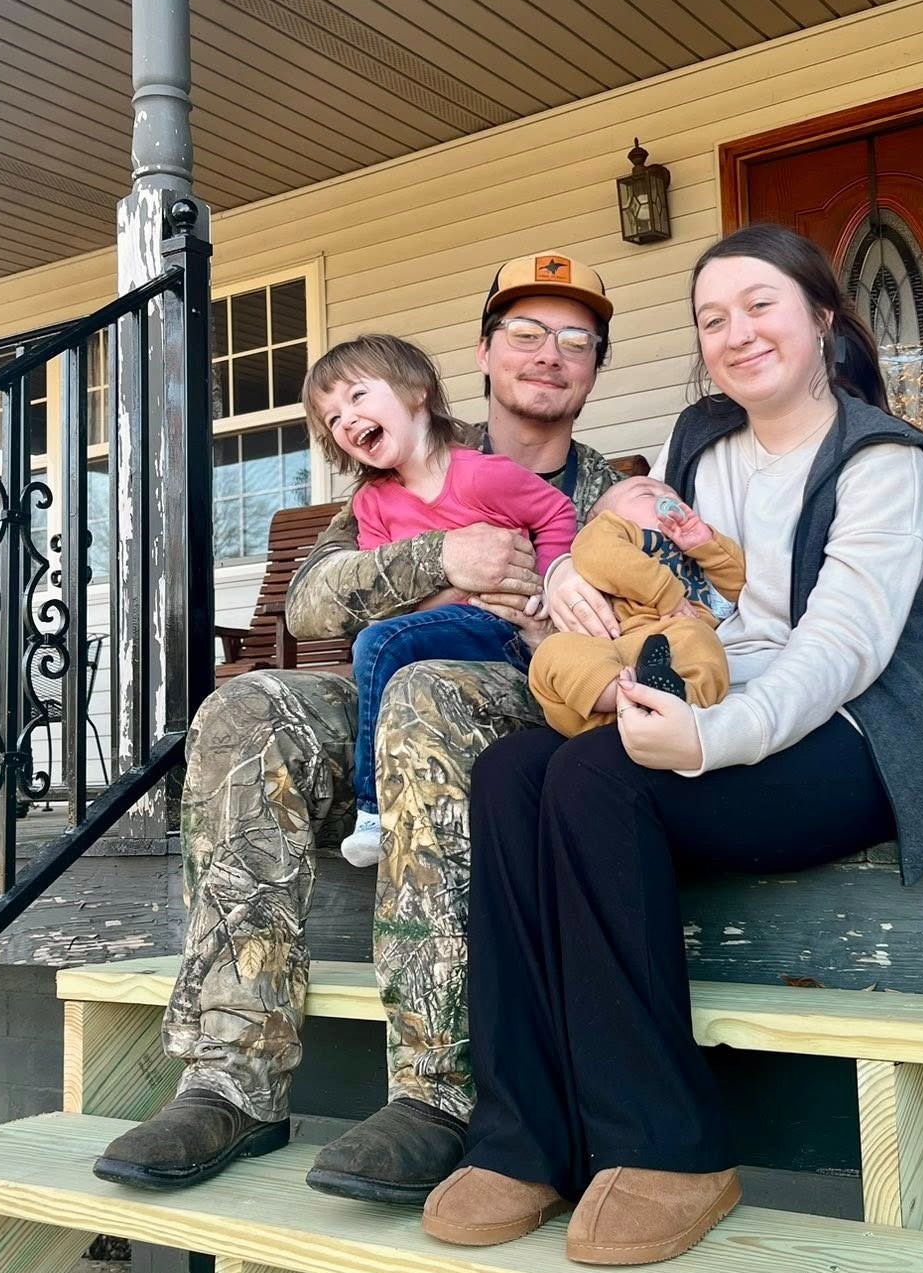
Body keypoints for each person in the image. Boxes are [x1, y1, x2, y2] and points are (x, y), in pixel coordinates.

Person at [422, 223, 923, 1265]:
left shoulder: (882, 461)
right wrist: (574, 580)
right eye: (712, 318)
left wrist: (711, 738)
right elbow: (654, 572)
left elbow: (841, 652)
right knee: (510, 772)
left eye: (761, 305)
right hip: (706, 694)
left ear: (821, 319)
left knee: (596, 777)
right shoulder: (702, 443)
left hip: (850, 738)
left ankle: (668, 1147)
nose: (737, 333)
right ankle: (522, 1137)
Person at [93, 253, 618, 1197]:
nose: (550, 354)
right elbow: (311, 602)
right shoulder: (401, 468)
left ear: (594, 367)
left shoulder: (607, 494)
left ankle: (437, 1092)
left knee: (424, 691)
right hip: (392, 693)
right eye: (526, 333)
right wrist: (440, 558)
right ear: (482, 355)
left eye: (576, 340)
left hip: (531, 714)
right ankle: (232, 1077)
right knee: (246, 707)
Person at [303, 333, 577, 865]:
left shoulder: (482, 474)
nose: (347, 419)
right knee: (381, 641)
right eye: (332, 419)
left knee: (377, 645)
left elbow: (555, 513)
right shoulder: (372, 504)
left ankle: (370, 809)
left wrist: (548, 585)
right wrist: (449, 592)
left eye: (357, 396)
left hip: (503, 631)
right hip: (436, 633)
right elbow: (387, 604)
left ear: (416, 392)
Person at [527, 477, 744, 735]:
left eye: (674, 496)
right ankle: (622, 692)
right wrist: (665, 592)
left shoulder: (693, 557)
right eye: (646, 494)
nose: (667, 499)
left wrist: (706, 545)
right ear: (600, 517)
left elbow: (734, 588)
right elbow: (599, 553)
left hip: (672, 654)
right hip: (607, 649)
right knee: (555, 650)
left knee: (701, 639)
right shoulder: (611, 531)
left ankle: (678, 697)